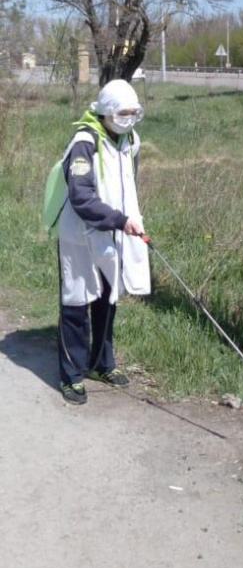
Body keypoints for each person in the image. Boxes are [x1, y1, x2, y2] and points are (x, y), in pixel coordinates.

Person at [57, 79, 151, 404]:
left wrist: (126, 221)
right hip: (79, 235)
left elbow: (125, 183)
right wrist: (119, 220)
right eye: (123, 113)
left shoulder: (129, 139)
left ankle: (102, 363)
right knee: (77, 301)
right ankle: (72, 375)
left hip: (112, 231)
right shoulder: (85, 141)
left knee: (109, 299)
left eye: (133, 113)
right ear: (106, 111)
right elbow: (81, 197)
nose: (128, 118)